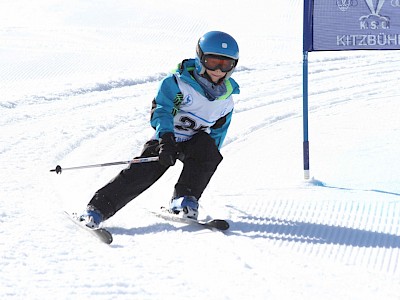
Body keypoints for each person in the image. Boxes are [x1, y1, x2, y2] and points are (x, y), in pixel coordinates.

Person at [79, 31, 240, 228]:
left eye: (225, 64)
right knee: (143, 172)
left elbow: (218, 132)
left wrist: (207, 159)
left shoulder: (226, 100)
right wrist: (165, 140)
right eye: (212, 61)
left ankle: (184, 200)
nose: (217, 70)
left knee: (209, 151)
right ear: (200, 58)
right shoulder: (178, 83)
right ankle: (97, 209)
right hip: (167, 139)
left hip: (194, 143)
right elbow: (162, 110)